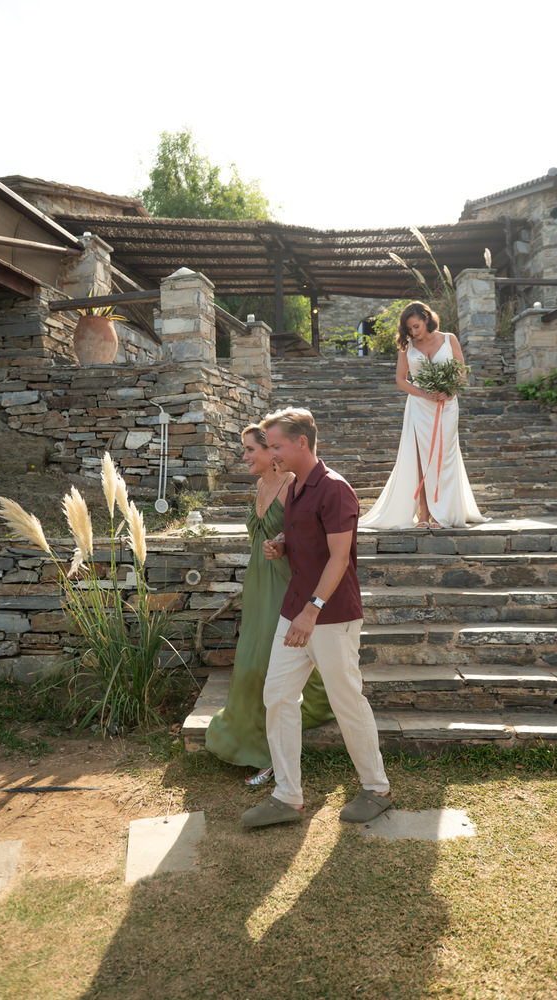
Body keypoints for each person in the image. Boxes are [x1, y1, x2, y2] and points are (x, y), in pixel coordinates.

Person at [241, 408, 392, 829]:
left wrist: (311, 612)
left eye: (276, 446)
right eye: (269, 447)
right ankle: (287, 796)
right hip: (295, 611)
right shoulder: (296, 488)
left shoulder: (335, 489)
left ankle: (376, 788)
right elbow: (308, 537)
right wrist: (282, 544)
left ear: (301, 443)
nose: (272, 454)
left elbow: (340, 557)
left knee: (347, 701)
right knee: (278, 696)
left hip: (330, 615)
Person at [205, 424, 333, 785]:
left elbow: (308, 536)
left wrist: (284, 543)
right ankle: (250, 734)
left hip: (285, 585)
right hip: (258, 582)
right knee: (251, 658)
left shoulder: (293, 485)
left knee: (265, 663)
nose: (243, 456)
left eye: (250, 450)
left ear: (270, 453)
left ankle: (269, 753)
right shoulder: (261, 485)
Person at [359, 301, 486, 530]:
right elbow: (400, 380)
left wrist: (448, 390)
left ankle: (442, 513)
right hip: (419, 406)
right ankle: (424, 513)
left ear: (427, 318)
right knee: (420, 458)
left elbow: (461, 373)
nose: (414, 332)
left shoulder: (449, 339)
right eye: (409, 329)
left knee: (443, 457)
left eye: (416, 326)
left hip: (446, 406)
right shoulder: (407, 346)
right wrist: (424, 393)